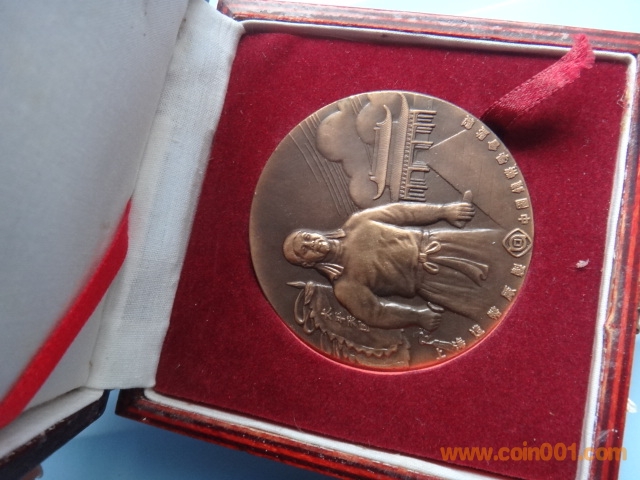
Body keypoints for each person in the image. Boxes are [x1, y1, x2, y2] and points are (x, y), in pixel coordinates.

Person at [283, 192, 500, 332]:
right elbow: (376, 313)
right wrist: (417, 316)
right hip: (436, 285)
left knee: (498, 248)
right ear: (307, 264)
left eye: (307, 237)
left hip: (442, 242)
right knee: (489, 303)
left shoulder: (358, 223)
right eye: (305, 250)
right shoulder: (345, 286)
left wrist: (444, 211)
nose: (312, 243)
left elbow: (402, 213)